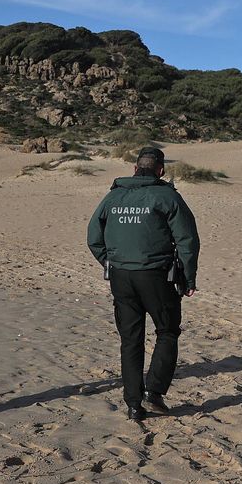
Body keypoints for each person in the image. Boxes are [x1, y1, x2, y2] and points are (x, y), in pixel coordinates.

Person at [86, 146, 200, 422]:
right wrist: (188, 277)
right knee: (168, 330)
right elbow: (187, 240)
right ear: (161, 170)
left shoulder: (114, 196)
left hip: (121, 277)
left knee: (131, 340)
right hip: (156, 275)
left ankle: (133, 403)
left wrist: (110, 262)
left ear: (135, 169)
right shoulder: (167, 196)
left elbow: (93, 237)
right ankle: (154, 392)